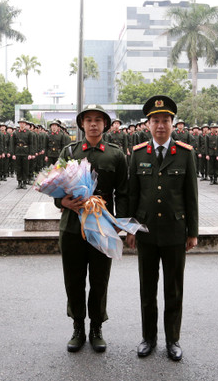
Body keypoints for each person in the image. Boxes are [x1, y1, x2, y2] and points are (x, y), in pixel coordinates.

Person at [125, 95, 198, 362]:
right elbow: (132, 195)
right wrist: (130, 229)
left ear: (172, 123)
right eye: (155, 120)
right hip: (145, 232)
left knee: (174, 289)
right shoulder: (137, 154)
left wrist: (193, 232)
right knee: (147, 289)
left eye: (165, 120)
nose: (160, 125)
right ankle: (148, 338)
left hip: (175, 232)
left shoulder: (185, 154)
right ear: (148, 124)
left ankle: (173, 339)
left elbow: (191, 196)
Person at [56, 104, 128, 354]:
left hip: (102, 226)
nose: (94, 124)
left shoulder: (115, 154)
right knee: (74, 279)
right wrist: (62, 201)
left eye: (99, 120)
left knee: (99, 280)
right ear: (82, 124)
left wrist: (121, 225)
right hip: (73, 227)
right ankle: (78, 327)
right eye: (88, 120)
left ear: (105, 125)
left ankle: (96, 327)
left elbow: (124, 192)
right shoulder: (70, 151)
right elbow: (55, 185)